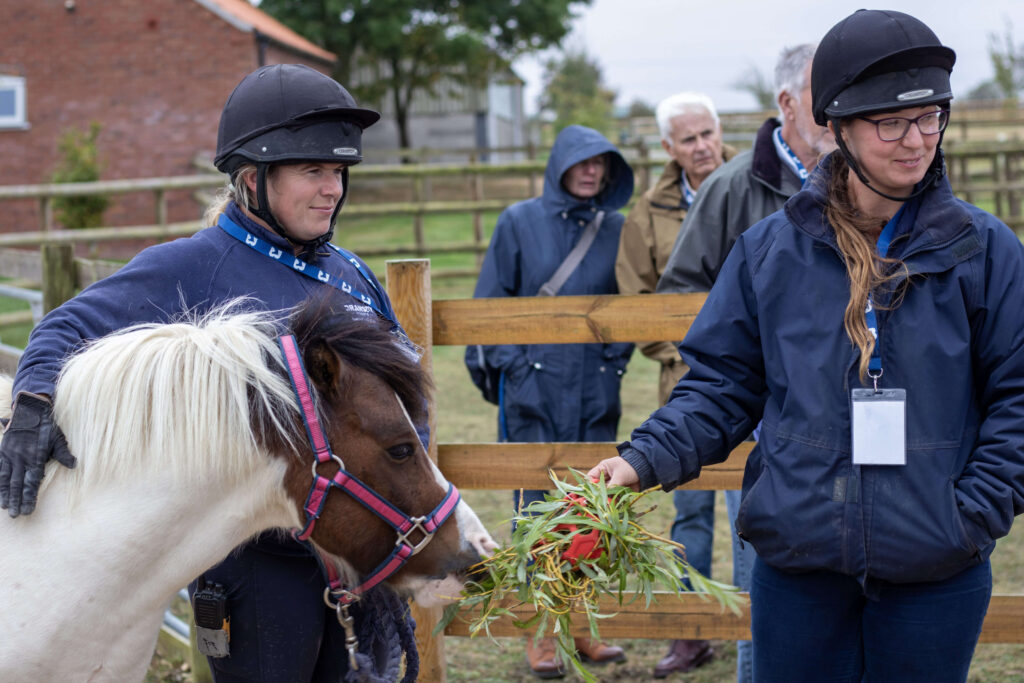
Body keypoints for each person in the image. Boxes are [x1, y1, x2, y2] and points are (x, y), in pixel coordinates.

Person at [590, 9, 1024, 682]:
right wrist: (642, 458)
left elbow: (1018, 397)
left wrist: (969, 517)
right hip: (799, 567)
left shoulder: (985, 251)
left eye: (931, 117)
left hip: (937, 567)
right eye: (891, 123)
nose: (917, 140)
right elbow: (721, 385)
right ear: (838, 126)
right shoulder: (770, 252)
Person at [0, 63, 419, 681]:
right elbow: (65, 326)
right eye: (312, 171)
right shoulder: (194, 268)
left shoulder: (350, 274)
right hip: (258, 567)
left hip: (355, 553)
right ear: (252, 179)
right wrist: (35, 396)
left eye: (337, 171)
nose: (332, 188)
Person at [653, 43, 835, 683]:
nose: (841, 107)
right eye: (824, 93)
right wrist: (745, 370)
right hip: (761, 425)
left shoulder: (862, 179)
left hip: (848, 426)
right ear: (787, 104)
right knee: (765, 570)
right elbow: (678, 295)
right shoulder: (733, 188)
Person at [467, 124, 634, 679]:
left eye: (601, 164)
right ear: (560, 165)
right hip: (534, 388)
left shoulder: (617, 228)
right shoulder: (519, 221)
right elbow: (490, 303)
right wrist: (518, 367)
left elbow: (632, 302)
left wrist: (614, 364)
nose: (592, 172)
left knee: (589, 509)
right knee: (534, 513)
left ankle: (580, 628)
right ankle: (540, 635)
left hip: (593, 388)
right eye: (582, 162)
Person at [614, 90, 736, 677]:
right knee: (690, 511)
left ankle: (755, 620)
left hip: (762, 384)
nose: (702, 146)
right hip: (686, 386)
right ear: (668, 147)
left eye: (708, 133)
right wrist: (681, 353)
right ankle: (693, 628)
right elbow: (635, 297)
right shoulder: (649, 210)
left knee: (756, 509)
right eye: (688, 139)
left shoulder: (751, 186)